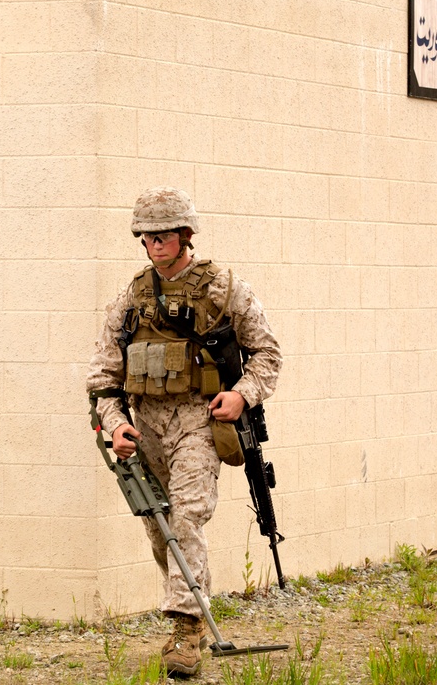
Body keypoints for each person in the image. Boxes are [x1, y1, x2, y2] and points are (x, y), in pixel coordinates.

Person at [86, 186, 282, 677]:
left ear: (185, 234)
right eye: (147, 236)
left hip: (200, 419)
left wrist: (242, 395)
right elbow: (102, 380)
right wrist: (116, 426)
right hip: (145, 424)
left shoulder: (223, 288)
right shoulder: (130, 298)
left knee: (187, 517)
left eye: (165, 234)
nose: (156, 244)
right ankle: (186, 612)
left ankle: (186, 629)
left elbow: (268, 354)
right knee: (158, 526)